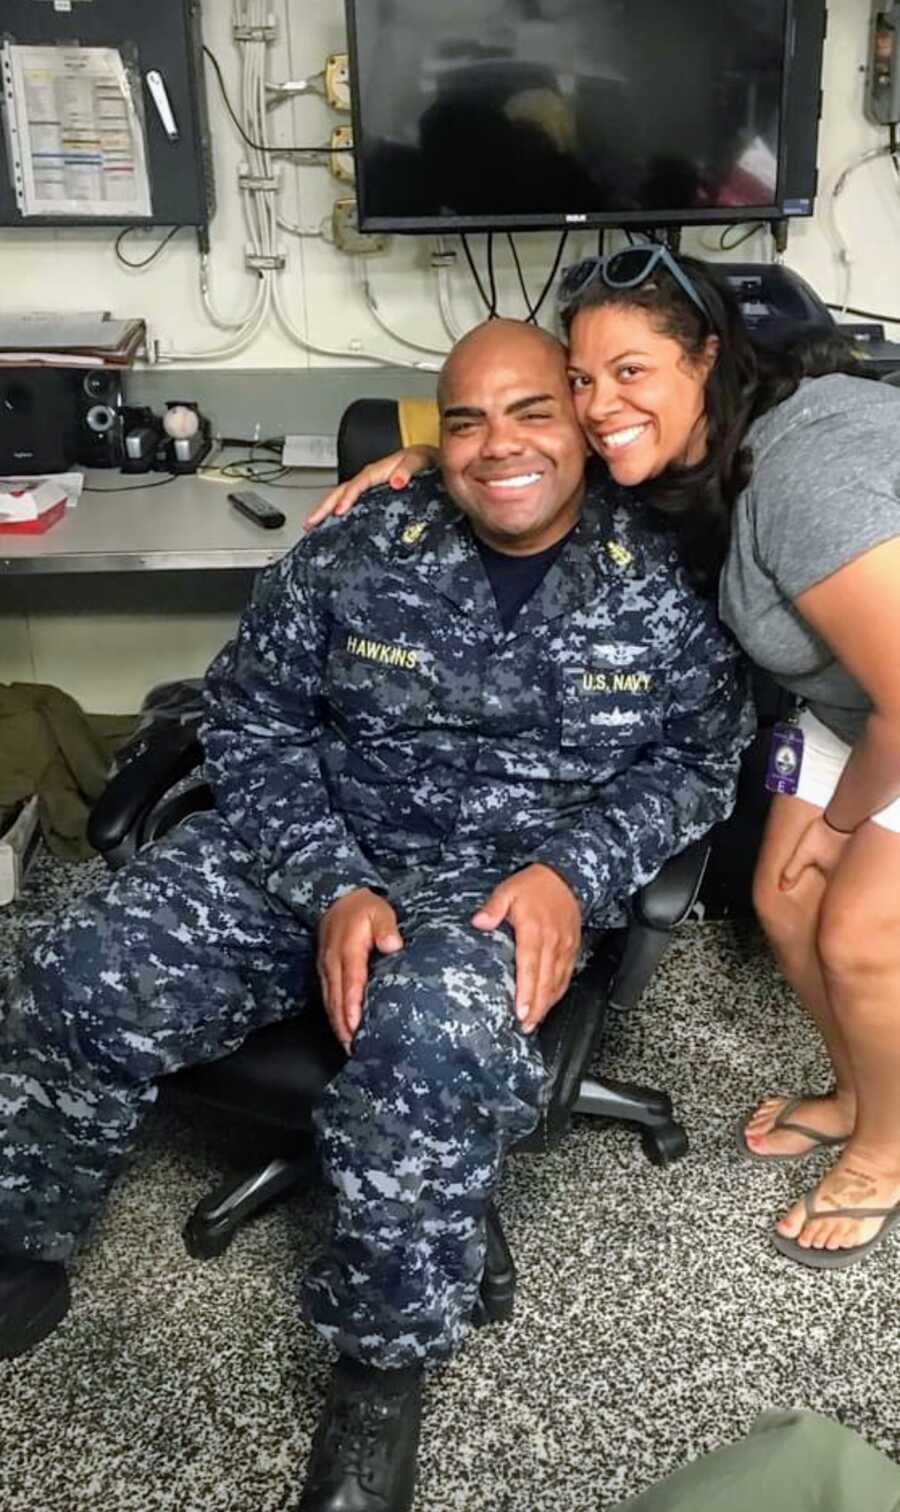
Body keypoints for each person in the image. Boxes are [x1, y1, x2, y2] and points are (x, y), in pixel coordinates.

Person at [0, 319, 750, 1512]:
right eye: (464, 422)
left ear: (581, 424)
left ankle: (378, 1377)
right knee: (76, 963)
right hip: (310, 850)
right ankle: (25, 1234)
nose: (497, 444)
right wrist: (332, 880)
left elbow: (704, 762)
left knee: (433, 1042)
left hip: (503, 886)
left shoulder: (661, 571)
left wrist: (574, 869)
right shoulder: (363, 543)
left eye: (531, 412)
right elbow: (250, 716)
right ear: (435, 442)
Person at [315, 247, 900, 1273]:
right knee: (779, 899)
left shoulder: (806, 474)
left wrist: (843, 830)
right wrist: (422, 452)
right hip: (848, 698)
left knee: (856, 929)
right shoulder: (700, 447)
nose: (596, 405)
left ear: (706, 358)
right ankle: (861, 1090)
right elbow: (513, 429)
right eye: (580, 382)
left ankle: (887, 1153)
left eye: (630, 372)